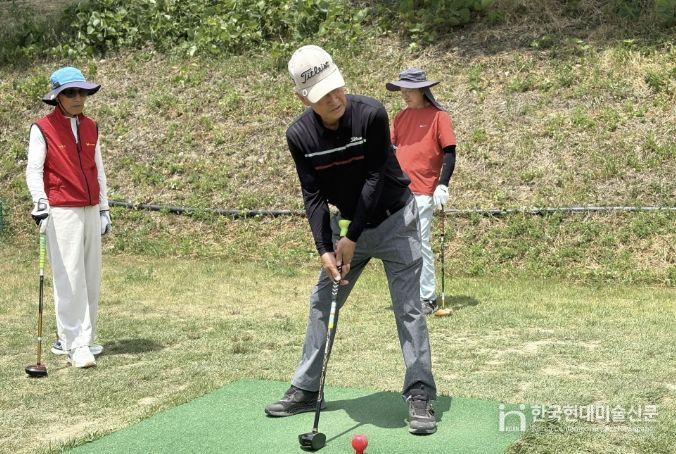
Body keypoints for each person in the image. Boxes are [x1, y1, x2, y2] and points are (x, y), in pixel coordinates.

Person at [264, 45, 437, 435]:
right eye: (322, 94)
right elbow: (312, 195)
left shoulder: (371, 113)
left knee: (409, 308)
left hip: (396, 220)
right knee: (322, 300)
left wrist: (351, 236)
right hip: (347, 230)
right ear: (303, 99)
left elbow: (375, 179)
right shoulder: (299, 136)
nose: (334, 98)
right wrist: (325, 249)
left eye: (336, 87)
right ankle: (307, 389)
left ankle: (420, 393)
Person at [25, 66, 111, 368]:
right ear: (57, 97)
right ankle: (74, 343)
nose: (78, 98)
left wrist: (104, 208)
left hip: (90, 208)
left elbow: (98, 171)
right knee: (69, 278)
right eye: (70, 93)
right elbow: (34, 171)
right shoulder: (42, 128)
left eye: (82, 92)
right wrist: (40, 202)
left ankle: (84, 337)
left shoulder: (91, 126)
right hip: (62, 210)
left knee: (90, 277)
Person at [387, 68, 457, 315]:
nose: (404, 94)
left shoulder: (439, 117)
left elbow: (449, 153)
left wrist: (442, 184)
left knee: (419, 242)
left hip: (424, 191)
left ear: (422, 90)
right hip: (400, 192)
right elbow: (391, 150)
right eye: (402, 90)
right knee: (402, 245)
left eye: (409, 90)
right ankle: (410, 295)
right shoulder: (400, 117)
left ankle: (427, 297)